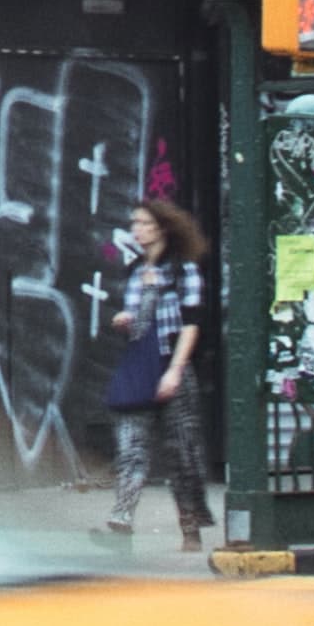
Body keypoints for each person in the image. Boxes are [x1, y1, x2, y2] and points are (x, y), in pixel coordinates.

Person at [101, 200, 213, 563]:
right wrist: (125, 319)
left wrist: (176, 370)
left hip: (171, 366)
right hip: (140, 366)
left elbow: (191, 324)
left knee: (182, 453)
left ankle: (190, 527)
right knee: (131, 448)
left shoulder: (184, 271)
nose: (136, 230)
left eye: (144, 223)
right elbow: (139, 323)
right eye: (134, 223)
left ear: (162, 228)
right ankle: (121, 519)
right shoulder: (134, 270)